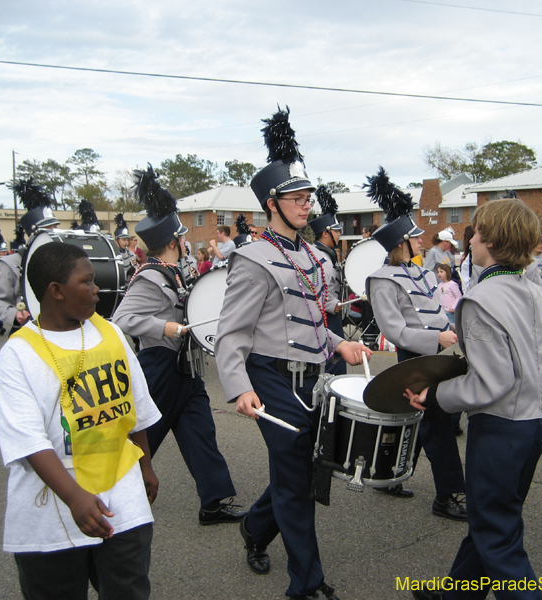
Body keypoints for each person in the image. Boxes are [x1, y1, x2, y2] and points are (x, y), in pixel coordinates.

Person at [215, 107, 371, 600]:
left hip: (314, 376)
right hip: (270, 378)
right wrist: (239, 387)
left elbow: (314, 322)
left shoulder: (316, 257)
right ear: (271, 204)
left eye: (308, 198)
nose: (307, 206)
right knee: (295, 477)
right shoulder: (252, 259)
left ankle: (256, 529)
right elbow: (231, 334)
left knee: (303, 466)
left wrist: (339, 342)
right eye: (297, 199)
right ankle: (306, 584)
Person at [0, 241, 161, 600]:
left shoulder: (110, 333)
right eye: (87, 282)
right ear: (56, 291)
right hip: (51, 515)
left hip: (122, 504)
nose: (97, 289)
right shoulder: (17, 355)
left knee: (129, 590)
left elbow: (136, 407)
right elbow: (28, 440)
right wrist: (74, 497)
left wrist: (145, 465)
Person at [406, 198, 542, 600]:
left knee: (497, 534)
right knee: (495, 518)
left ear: (487, 239)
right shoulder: (532, 286)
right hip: (534, 422)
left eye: (477, 232)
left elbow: (491, 381)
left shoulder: (483, 298)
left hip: (501, 427)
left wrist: (436, 393)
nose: (472, 238)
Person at [112, 165, 246, 527]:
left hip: (185, 370)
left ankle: (214, 502)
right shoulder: (151, 276)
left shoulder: (174, 270)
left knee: (201, 432)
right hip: (160, 368)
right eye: (183, 238)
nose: (187, 242)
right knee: (144, 439)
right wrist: (164, 326)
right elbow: (122, 319)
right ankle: (113, 496)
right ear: (173, 241)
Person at [364, 167, 466, 517]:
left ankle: (386, 473)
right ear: (401, 243)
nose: (423, 240)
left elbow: (437, 309)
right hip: (414, 355)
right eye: (416, 236)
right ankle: (448, 494)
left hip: (439, 347)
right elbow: (394, 331)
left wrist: (448, 333)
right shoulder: (381, 280)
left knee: (414, 418)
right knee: (435, 423)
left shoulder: (420, 270)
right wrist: (435, 337)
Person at [0, 179, 60, 337]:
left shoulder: (62, 260)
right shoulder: (11, 263)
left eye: (55, 227)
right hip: (26, 331)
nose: (53, 232)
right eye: (48, 229)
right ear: (32, 233)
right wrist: (14, 315)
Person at [310, 185, 346, 376]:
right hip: (326, 317)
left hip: (330, 314)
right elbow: (313, 288)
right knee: (334, 365)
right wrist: (332, 304)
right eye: (336, 230)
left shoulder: (327, 255)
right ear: (325, 232)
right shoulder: (318, 257)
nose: (340, 234)